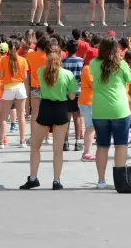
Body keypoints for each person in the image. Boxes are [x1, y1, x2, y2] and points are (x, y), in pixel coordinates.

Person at [20, 50, 77, 190]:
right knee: (57, 149)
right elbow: (71, 96)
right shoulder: (68, 74)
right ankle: (56, 181)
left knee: (35, 147)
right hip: (61, 108)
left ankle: (33, 178)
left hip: (45, 107)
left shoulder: (41, 71)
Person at [90, 37, 131, 189]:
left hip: (99, 109)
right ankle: (120, 180)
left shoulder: (93, 63)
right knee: (121, 145)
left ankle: (101, 180)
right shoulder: (121, 64)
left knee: (102, 146)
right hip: (119, 108)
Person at [61, 40, 84, 152]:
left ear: (67, 49)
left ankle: (65, 142)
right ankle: (78, 141)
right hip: (78, 91)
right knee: (77, 116)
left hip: (65, 92)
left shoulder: (63, 61)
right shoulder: (81, 61)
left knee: (66, 117)